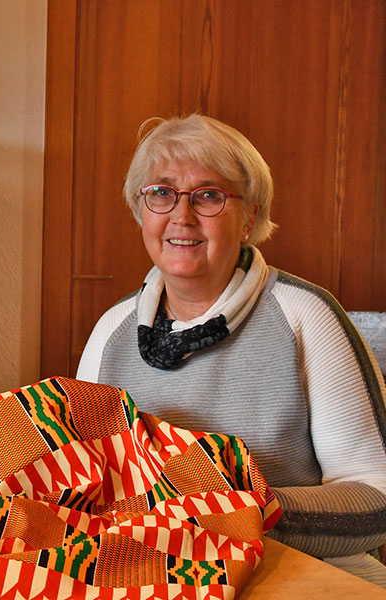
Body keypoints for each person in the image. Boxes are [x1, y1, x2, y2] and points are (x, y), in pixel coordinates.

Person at [77, 114, 386, 586]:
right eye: (161, 193)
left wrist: (232, 516)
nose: (181, 216)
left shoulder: (306, 316)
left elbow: (376, 498)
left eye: (208, 196)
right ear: (142, 211)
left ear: (250, 218)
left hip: (298, 575)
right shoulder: (110, 330)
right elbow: (84, 482)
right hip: (151, 576)